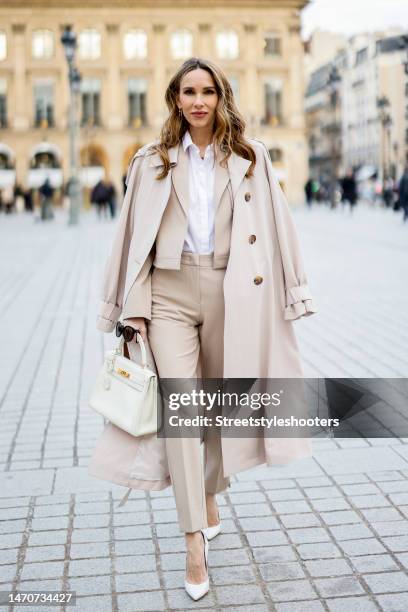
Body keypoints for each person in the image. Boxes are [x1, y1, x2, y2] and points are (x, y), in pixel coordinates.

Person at [88, 57, 317, 601]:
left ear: (220, 97)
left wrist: (296, 292)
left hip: (230, 289)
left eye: (207, 91)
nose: (198, 101)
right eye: (188, 91)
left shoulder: (249, 156)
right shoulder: (151, 161)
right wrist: (122, 306)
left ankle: (211, 491)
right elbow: (127, 237)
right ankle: (194, 541)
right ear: (174, 99)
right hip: (168, 293)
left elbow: (278, 226)